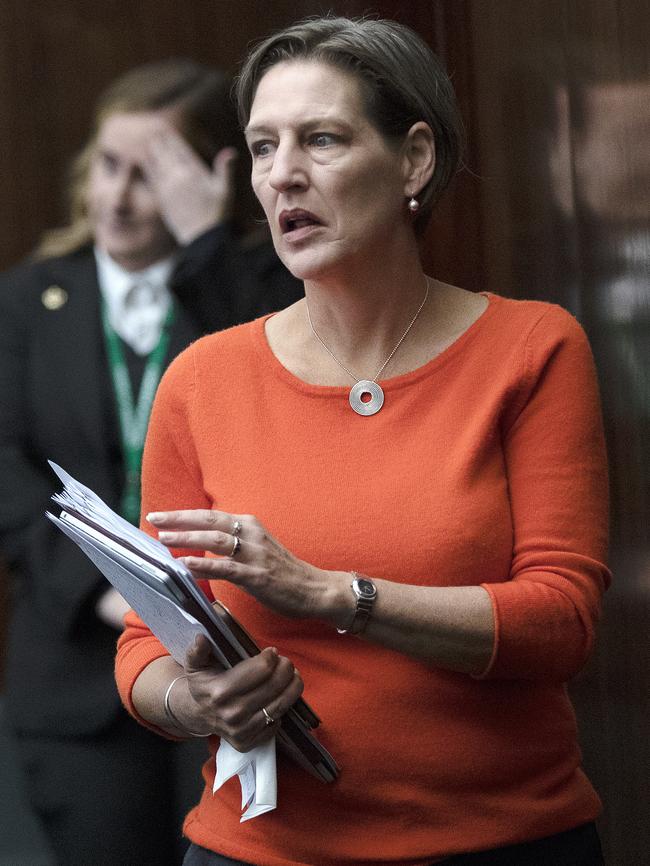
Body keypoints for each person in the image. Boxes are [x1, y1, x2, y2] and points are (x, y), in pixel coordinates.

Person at [115, 18, 610, 866]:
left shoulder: (533, 348)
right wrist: (196, 703)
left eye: (322, 139)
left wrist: (334, 595)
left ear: (415, 158)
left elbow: (562, 621)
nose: (283, 175)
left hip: (503, 842)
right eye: (263, 147)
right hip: (258, 849)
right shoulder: (201, 378)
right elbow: (141, 645)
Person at [0, 58, 301, 866]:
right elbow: (5, 467)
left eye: (153, 173)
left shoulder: (262, 287)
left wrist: (205, 243)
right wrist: (102, 587)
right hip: (77, 677)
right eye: (109, 167)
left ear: (211, 179)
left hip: (243, 656)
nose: (122, 196)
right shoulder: (28, 301)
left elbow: (284, 402)